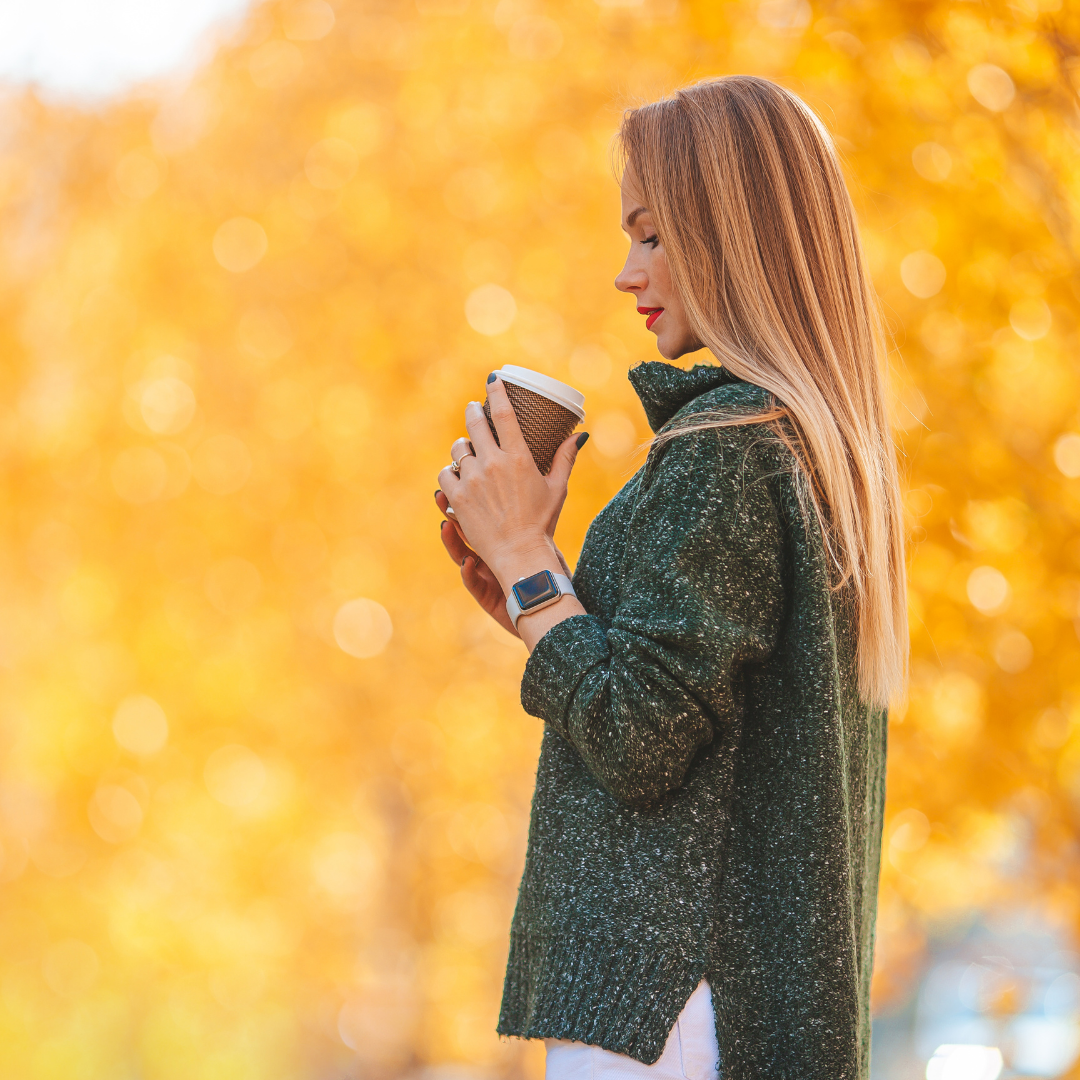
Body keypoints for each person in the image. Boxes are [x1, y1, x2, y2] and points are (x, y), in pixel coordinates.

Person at [434, 75, 907, 1080]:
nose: (626, 272)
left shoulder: (723, 450)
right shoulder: (804, 447)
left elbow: (642, 740)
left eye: (651, 235)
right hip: (718, 1008)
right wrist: (537, 598)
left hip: (670, 1008)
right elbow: (693, 708)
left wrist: (528, 567)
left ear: (733, 232)